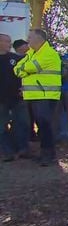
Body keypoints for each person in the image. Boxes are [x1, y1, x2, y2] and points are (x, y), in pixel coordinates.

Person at [13, 29, 61, 165]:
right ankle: (45, 153)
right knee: (41, 126)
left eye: (30, 37)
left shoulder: (49, 53)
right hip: (33, 95)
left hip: (46, 95)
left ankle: (49, 155)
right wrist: (25, 70)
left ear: (39, 39)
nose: (28, 40)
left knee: (45, 126)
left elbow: (31, 67)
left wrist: (25, 70)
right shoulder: (31, 53)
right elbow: (17, 69)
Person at [0, 33, 31, 161]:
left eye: (10, 41)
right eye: (7, 41)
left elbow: (26, 75)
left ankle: (23, 149)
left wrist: (24, 87)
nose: (10, 44)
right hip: (1, 100)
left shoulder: (15, 58)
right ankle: (7, 151)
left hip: (18, 98)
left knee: (22, 123)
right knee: (2, 126)